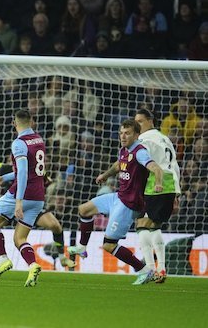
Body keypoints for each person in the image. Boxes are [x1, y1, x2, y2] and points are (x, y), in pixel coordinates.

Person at [69, 119, 164, 285]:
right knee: (84, 209)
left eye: (127, 133)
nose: (123, 136)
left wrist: (158, 183)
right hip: (118, 197)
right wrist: (105, 175)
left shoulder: (140, 152)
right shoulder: (124, 150)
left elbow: (156, 168)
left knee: (108, 245)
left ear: (136, 134)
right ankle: (82, 248)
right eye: (121, 133)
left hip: (129, 204)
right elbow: (118, 165)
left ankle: (145, 270)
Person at [0, 109, 46, 286]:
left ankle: (2, 259)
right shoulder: (38, 139)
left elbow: (22, 173)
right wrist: (4, 178)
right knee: (19, 239)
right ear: (32, 121)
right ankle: (33, 265)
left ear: (14, 123)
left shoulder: (18, 143)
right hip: (38, 196)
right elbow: (28, 171)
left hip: (21, 194)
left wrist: (18, 201)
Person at [0, 163, 75, 269]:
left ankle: (62, 258)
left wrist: (46, 181)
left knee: (55, 225)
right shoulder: (6, 168)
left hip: (29, 205)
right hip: (11, 207)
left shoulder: (34, 169)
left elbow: (46, 181)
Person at [134, 109, 181, 283]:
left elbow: (141, 163)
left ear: (150, 121)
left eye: (140, 122)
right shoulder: (164, 138)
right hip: (170, 184)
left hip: (155, 183)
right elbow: (174, 165)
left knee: (141, 225)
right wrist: (177, 192)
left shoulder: (144, 139)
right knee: (154, 225)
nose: (137, 125)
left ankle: (150, 269)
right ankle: (160, 268)